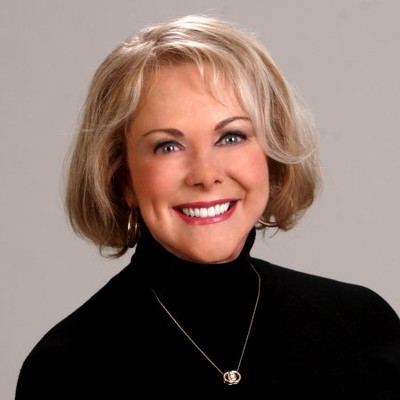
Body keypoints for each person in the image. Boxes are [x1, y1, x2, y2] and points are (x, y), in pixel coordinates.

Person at [15, 14, 400, 399]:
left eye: (231, 137)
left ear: (271, 153)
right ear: (122, 178)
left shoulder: (363, 327)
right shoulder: (65, 369)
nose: (206, 174)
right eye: (168, 146)